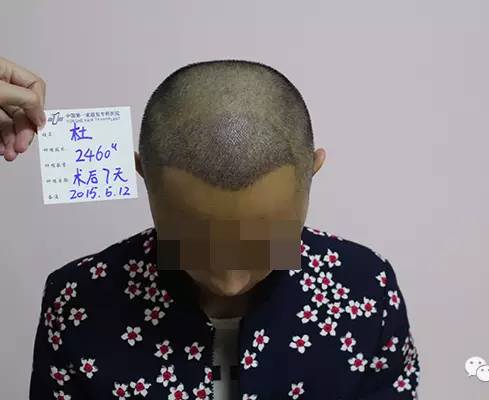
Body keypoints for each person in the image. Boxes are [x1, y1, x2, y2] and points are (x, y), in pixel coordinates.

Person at [3, 57, 420, 399]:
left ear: (311, 172)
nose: (230, 279)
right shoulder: (79, 302)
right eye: (194, 238)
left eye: (263, 238)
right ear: (143, 174)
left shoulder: (364, 291)